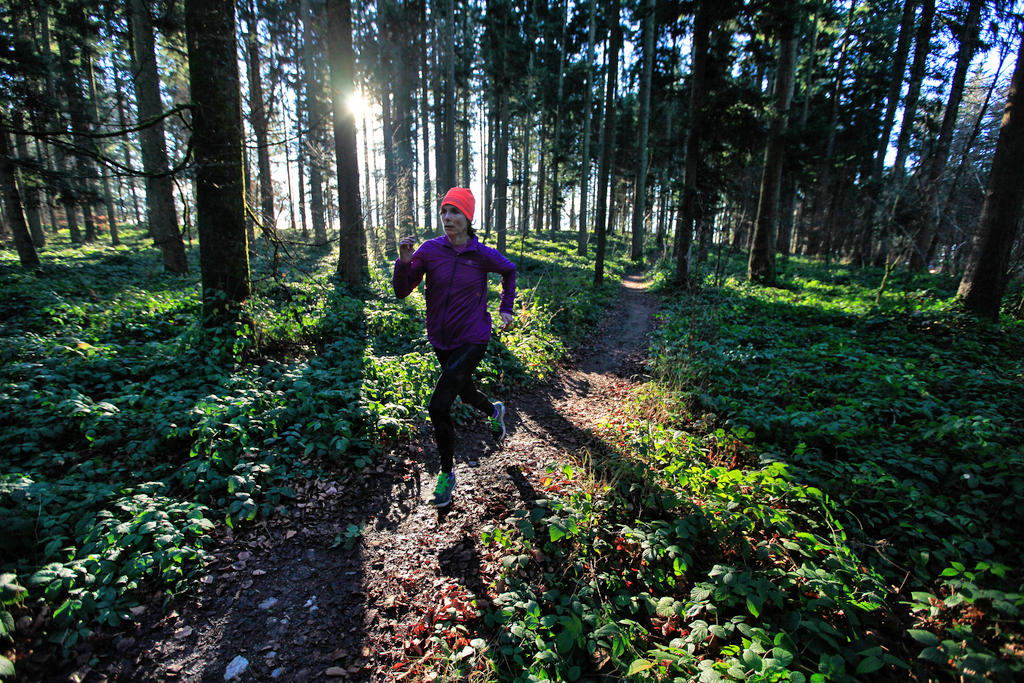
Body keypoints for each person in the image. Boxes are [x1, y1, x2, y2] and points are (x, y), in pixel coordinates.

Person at [393, 187, 517, 507]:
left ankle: (447, 475)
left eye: (455, 212)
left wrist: (506, 306)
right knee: (464, 392)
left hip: (474, 337)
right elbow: (403, 291)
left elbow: (509, 270)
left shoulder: (482, 254)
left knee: (438, 406)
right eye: (444, 212)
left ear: (468, 217)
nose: (447, 218)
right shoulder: (430, 250)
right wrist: (404, 263)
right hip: (441, 339)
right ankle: (495, 411)